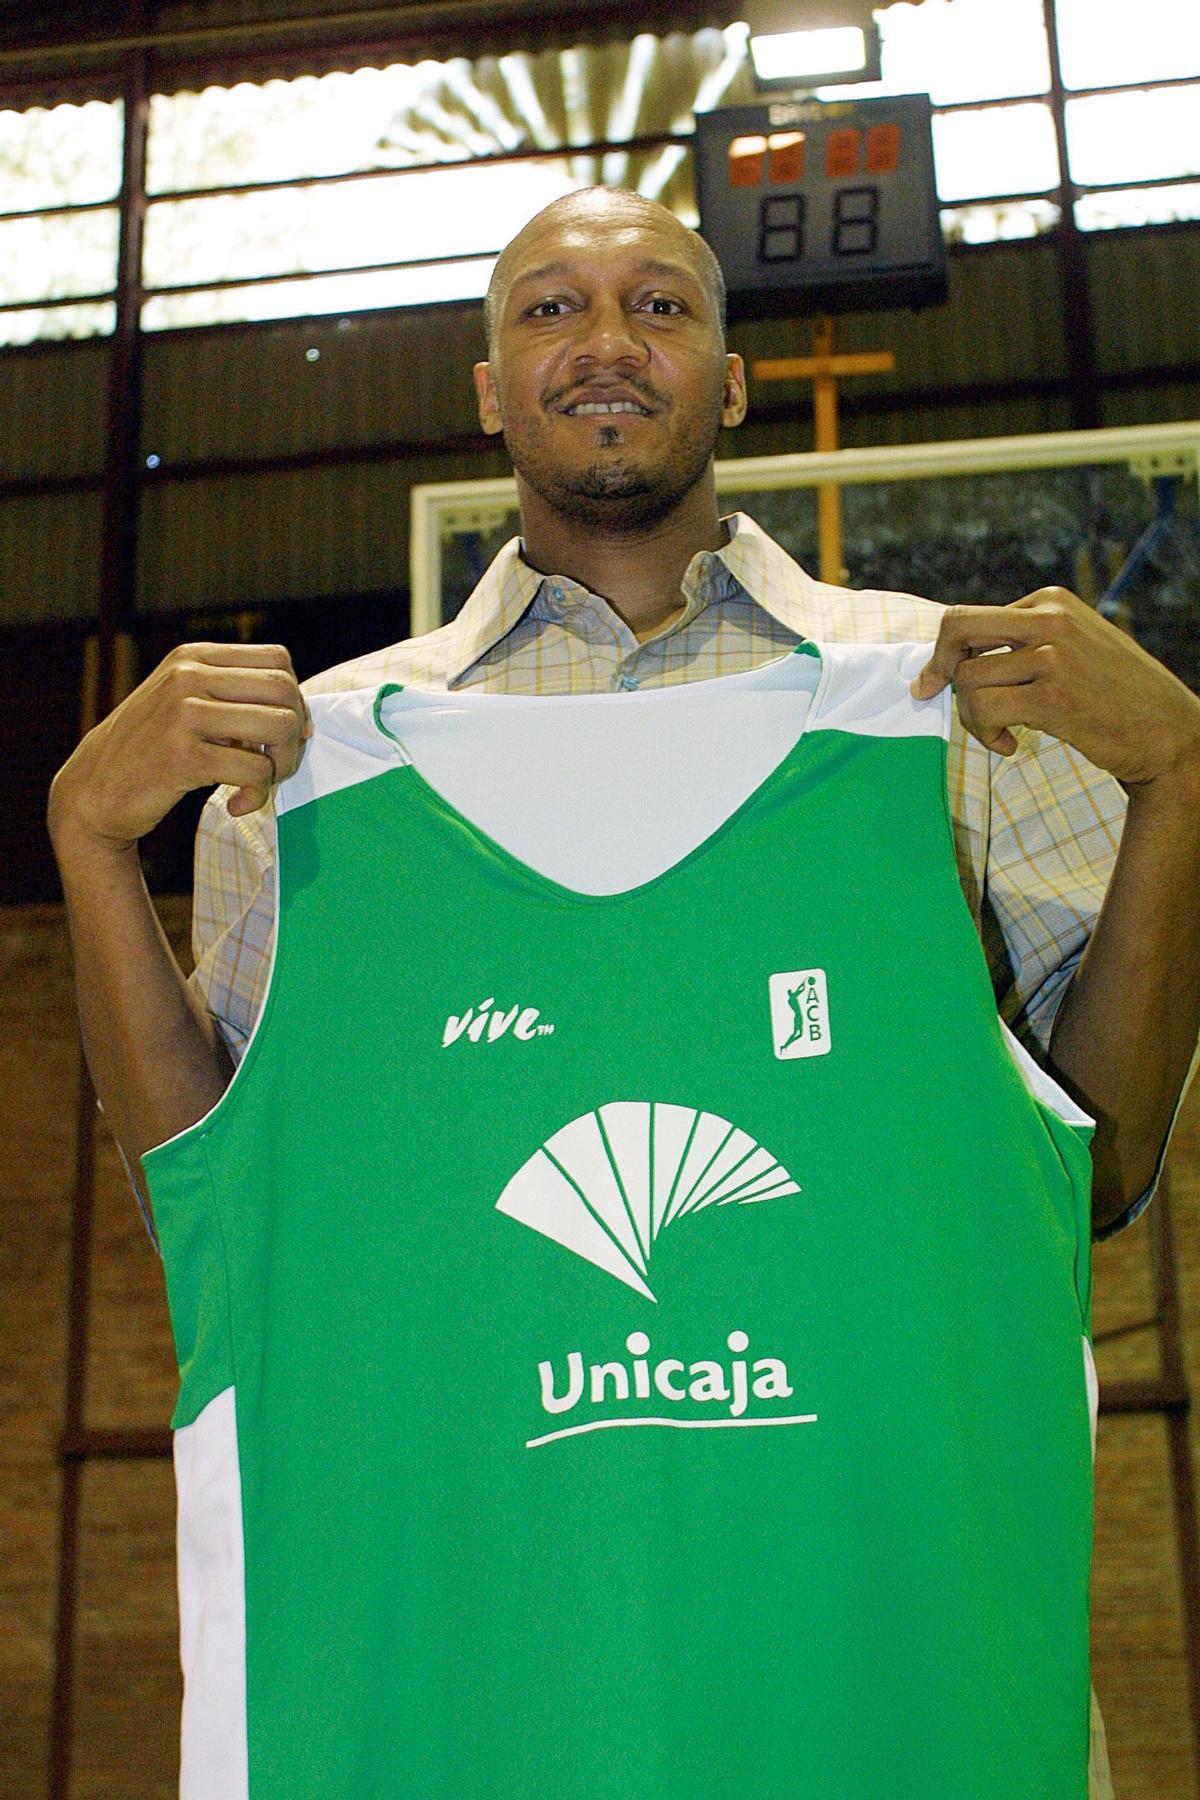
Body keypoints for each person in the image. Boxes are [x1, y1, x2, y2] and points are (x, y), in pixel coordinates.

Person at [49, 187, 1200, 1797]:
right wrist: (91, 841)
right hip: (488, 1694)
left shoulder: (954, 697)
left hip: (884, 1677)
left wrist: (1181, 777)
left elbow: (1098, 1169)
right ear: (487, 386)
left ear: (730, 380)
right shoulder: (311, 767)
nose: (604, 343)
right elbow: (226, 1210)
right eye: (550, 308)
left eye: (659, 305)